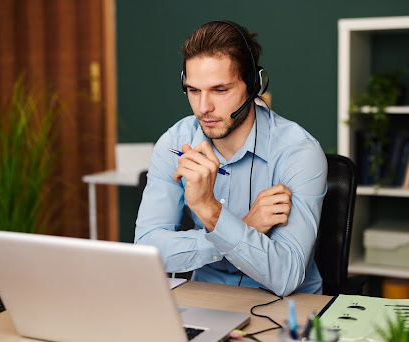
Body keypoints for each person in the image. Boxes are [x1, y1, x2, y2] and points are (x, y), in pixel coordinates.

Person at [135, 20, 327, 297]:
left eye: (220, 90)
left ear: (254, 85)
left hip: (286, 307)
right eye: (193, 90)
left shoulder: (298, 152)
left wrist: (210, 210)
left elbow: (286, 275)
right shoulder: (176, 142)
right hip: (206, 297)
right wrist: (244, 227)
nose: (204, 108)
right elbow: (147, 250)